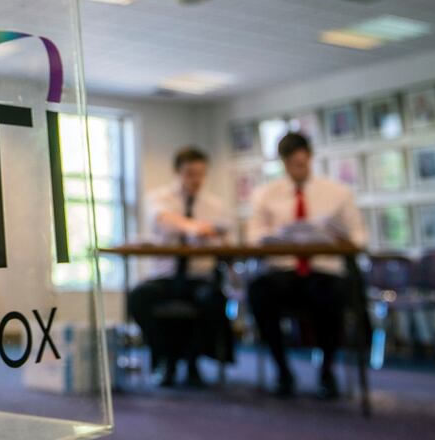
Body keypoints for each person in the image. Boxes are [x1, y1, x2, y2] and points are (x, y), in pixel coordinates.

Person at [247, 132, 366, 399]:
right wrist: (274, 236)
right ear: (284, 163)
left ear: (310, 158)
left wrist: (339, 237)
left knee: (332, 293)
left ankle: (327, 370)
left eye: (302, 163)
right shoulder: (265, 195)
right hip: (284, 271)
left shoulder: (337, 193)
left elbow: (359, 237)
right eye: (292, 164)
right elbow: (253, 236)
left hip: (322, 270)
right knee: (259, 291)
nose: (298, 168)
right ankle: (282, 370)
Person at [128, 147, 232, 388]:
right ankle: (166, 359)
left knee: (213, 299)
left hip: (198, 276)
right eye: (189, 174)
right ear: (177, 172)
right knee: (139, 298)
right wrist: (196, 228)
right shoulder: (159, 199)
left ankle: (192, 361)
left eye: (200, 174)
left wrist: (215, 234)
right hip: (165, 276)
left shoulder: (215, 205)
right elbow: (165, 219)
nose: (195, 180)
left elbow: (225, 235)